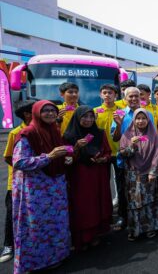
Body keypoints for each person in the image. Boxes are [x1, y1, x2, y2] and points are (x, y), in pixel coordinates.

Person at [12, 100, 71, 273]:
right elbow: (19, 162)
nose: (50, 114)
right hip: (35, 190)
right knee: (35, 226)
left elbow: (58, 154)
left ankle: (56, 256)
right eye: (45, 111)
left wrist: (64, 158)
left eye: (53, 111)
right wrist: (49, 157)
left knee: (56, 223)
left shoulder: (54, 131)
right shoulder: (27, 134)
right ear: (36, 113)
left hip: (55, 188)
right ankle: (34, 263)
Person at [63, 106, 113, 251]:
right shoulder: (69, 136)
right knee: (83, 206)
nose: (88, 120)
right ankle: (82, 237)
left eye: (91, 117)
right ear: (77, 118)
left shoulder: (99, 133)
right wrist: (77, 147)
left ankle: (95, 234)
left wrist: (104, 159)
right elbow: (66, 160)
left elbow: (108, 152)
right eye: (85, 117)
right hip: (80, 175)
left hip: (97, 174)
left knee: (97, 203)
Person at [111, 87, 154, 230]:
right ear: (125, 97)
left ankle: (144, 219)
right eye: (130, 96)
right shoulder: (120, 113)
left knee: (143, 191)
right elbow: (115, 138)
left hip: (143, 160)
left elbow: (151, 136)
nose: (134, 99)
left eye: (137, 96)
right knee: (124, 190)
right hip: (124, 159)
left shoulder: (147, 114)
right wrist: (118, 124)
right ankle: (124, 218)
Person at [119, 108, 158, 241]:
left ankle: (150, 227)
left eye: (144, 118)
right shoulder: (127, 135)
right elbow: (123, 153)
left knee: (149, 201)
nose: (141, 121)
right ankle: (135, 229)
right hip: (133, 175)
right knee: (135, 202)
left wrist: (153, 172)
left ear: (148, 120)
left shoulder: (153, 134)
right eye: (138, 118)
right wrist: (131, 145)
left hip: (149, 173)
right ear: (134, 120)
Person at [0, 100, 35, 263]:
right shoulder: (16, 132)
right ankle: (8, 245)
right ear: (28, 114)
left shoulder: (42, 129)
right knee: (12, 212)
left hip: (36, 180)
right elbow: (8, 157)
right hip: (16, 181)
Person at [94, 84, 120, 207]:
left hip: (118, 151)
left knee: (119, 180)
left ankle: (118, 201)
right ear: (101, 95)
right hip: (103, 152)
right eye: (104, 92)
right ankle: (104, 205)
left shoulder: (121, 110)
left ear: (116, 95)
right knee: (104, 181)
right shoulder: (95, 111)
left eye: (110, 93)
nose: (107, 95)